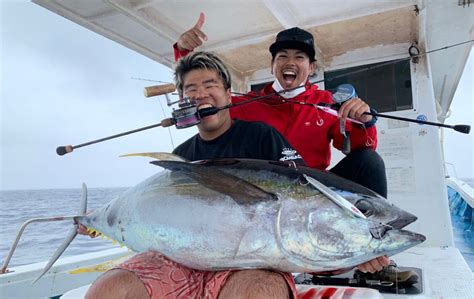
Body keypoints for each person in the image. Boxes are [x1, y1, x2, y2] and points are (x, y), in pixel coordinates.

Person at [82, 51, 390, 299]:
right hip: (184, 258)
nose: (201, 94)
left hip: (253, 261)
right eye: (191, 89)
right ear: (183, 101)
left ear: (229, 94)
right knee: (108, 291)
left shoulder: (263, 137)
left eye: (210, 86)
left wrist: (353, 251)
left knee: (257, 293)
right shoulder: (181, 157)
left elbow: (300, 196)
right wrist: (97, 220)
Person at [173, 14, 420, 283]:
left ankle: (372, 256)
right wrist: (182, 52)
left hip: (315, 191)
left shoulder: (327, 104)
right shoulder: (247, 102)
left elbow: (361, 148)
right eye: (283, 56)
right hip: (265, 195)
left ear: (311, 67)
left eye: (300, 57)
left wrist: (365, 120)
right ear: (272, 65)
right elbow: (205, 96)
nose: (290, 62)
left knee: (370, 161)